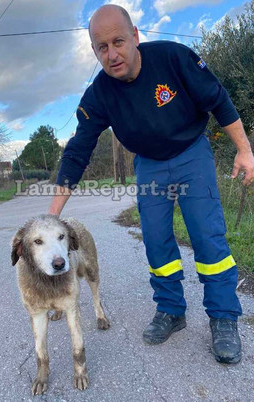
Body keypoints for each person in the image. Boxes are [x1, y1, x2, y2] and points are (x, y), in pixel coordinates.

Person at [48, 4, 254, 364]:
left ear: (135, 37)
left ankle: (223, 317)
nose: (112, 54)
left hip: (192, 153)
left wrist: (244, 150)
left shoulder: (173, 57)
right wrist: (52, 217)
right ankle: (172, 310)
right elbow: (78, 152)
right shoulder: (99, 96)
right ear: (95, 51)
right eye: (102, 47)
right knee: (157, 242)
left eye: (118, 42)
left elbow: (217, 98)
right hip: (149, 166)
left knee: (207, 236)